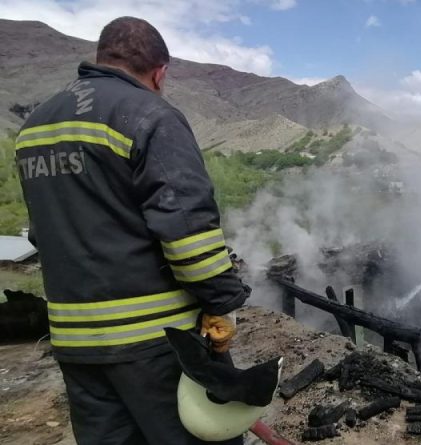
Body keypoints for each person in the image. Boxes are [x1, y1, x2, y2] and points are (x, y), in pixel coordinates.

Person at [16, 16, 249, 445]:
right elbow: (187, 231)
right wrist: (222, 302)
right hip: (156, 344)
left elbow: (41, 232)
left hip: (75, 340)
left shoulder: (36, 126)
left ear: (102, 57)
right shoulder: (149, 114)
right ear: (159, 72)